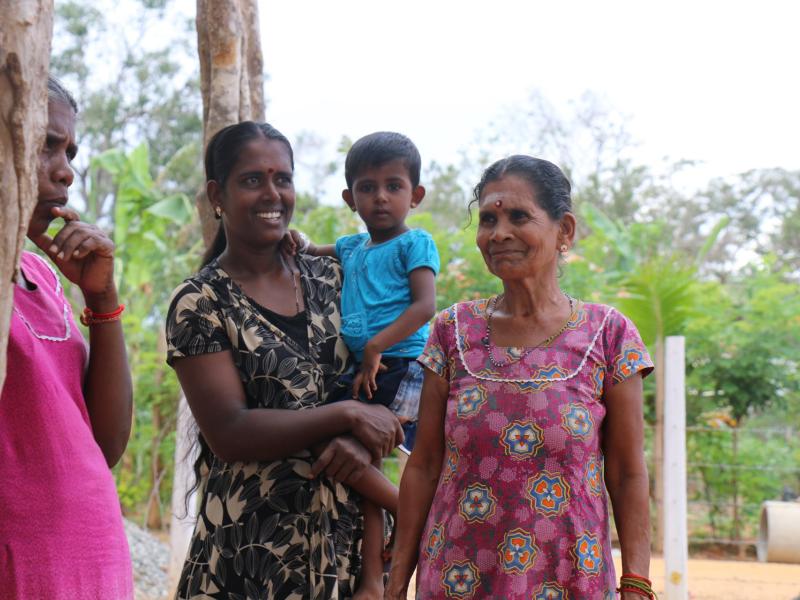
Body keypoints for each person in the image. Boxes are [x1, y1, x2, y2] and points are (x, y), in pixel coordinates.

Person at [385, 156, 655, 600]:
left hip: (570, 579)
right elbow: (424, 465)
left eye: (518, 217)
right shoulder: (452, 331)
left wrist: (637, 584)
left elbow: (627, 473)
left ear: (564, 230)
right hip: (456, 578)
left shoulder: (608, 335)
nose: (498, 233)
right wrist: (396, 582)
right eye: (488, 219)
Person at [165, 121, 404, 600]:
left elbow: (395, 366)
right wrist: (346, 415)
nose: (272, 193)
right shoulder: (201, 301)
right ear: (218, 193)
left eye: (283, 178)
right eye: (252, 179)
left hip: (344, 557)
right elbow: (230, 433)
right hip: (246, 556)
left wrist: (363, 443)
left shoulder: (333, 277)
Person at [0, 77, 134, 598]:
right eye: (44, 145)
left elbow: (106, 444)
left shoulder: (44, 277)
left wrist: (102, 303)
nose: (65, 172)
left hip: (93, 559)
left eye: (70, 151)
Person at [290, 130, 439, 595]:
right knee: (348, 457)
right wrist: (297, 242)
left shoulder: (415, 244)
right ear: (349, 196)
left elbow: (424, 306)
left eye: (394, 186)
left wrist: (374, 347)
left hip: (403, 365)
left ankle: (403, 512)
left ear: (414, 195)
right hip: (367, 371)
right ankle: (373, 579)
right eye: (367, 187)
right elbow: (315, 252)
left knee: (345, 452)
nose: (380, 197)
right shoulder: (354, 248)